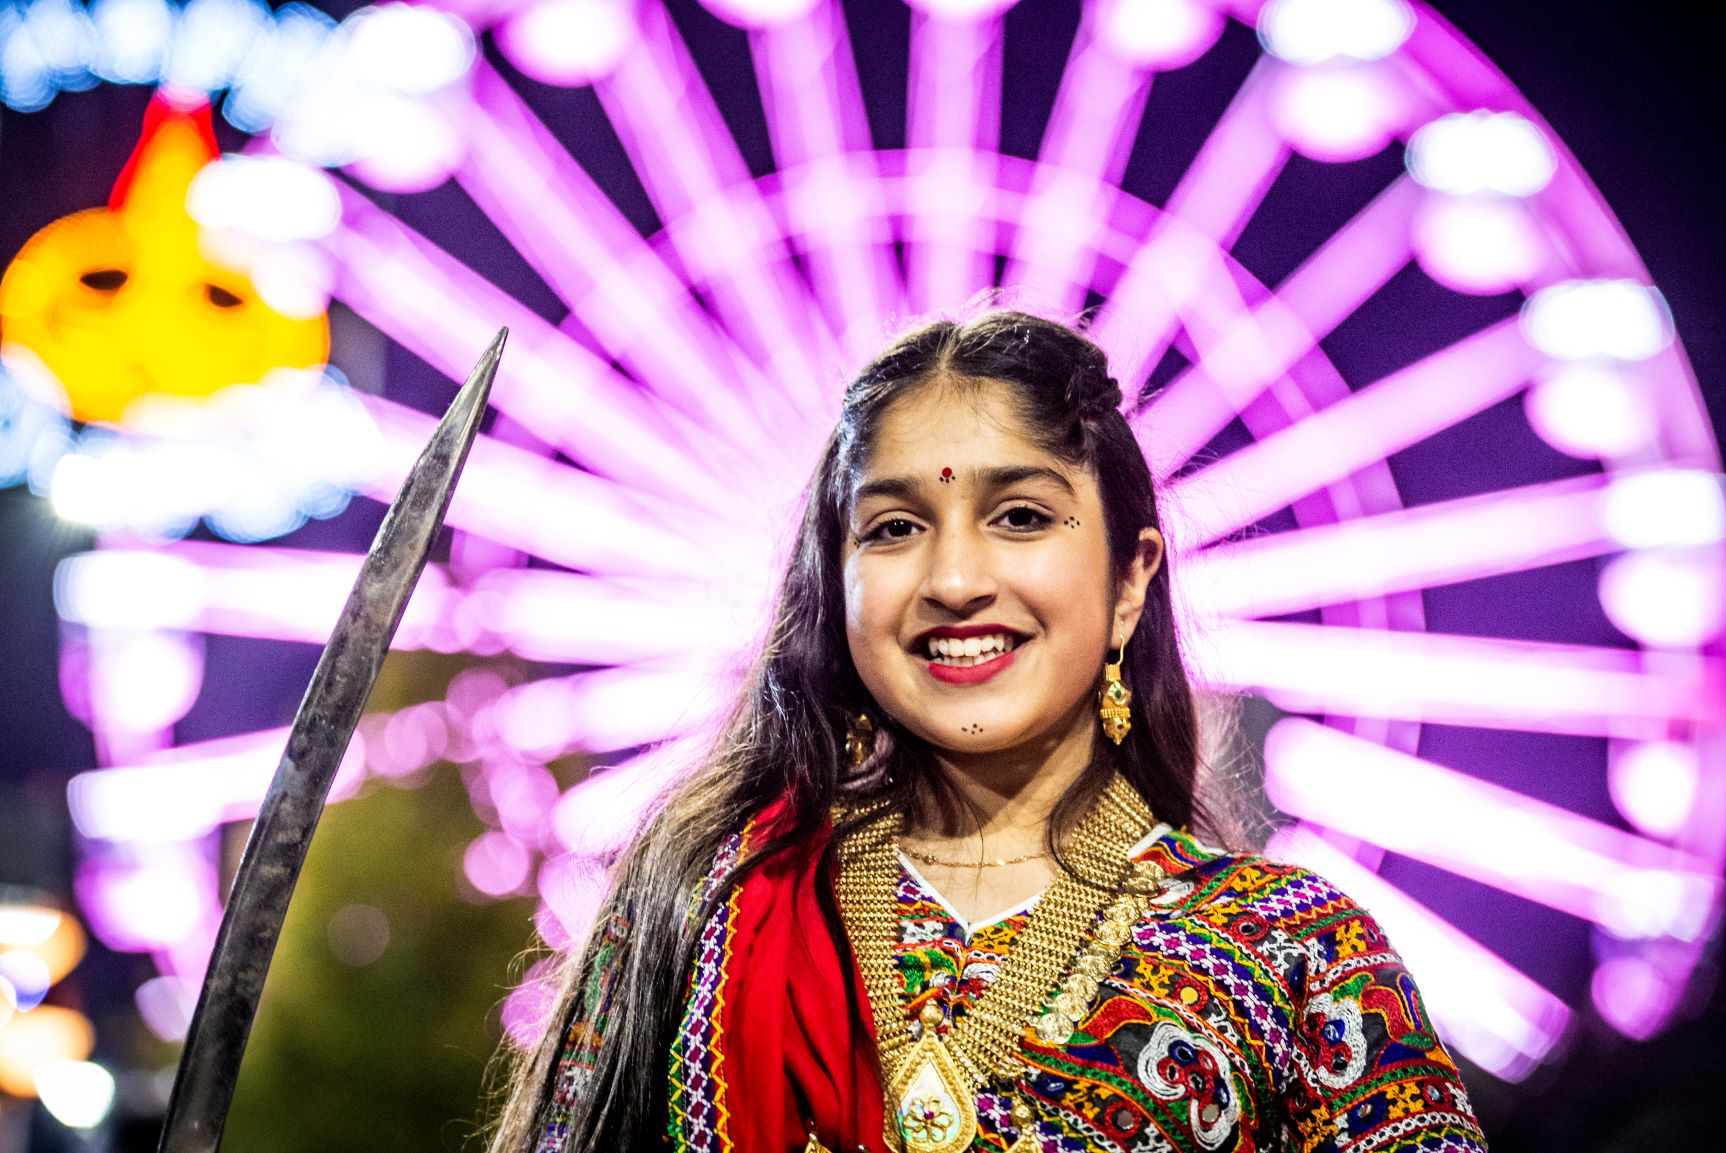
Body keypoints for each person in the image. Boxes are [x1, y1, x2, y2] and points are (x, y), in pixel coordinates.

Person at [488, 310, 1486, 1153]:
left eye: (1018, 515)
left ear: (1131, 579)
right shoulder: (698, 906)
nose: (955, 580)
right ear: (830, 588)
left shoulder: (1294, 955)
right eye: (890, 528)